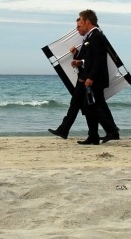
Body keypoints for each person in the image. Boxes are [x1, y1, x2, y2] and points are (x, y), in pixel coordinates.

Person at [48, 10, 121, 144]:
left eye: (79, 24)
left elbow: (98, 60)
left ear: (87, 21)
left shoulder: (96, 36)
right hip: (86, 77)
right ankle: (91, 135)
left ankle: (111, 131)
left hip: (93, 79)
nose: (77, 29)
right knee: (85, 106)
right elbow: (87, 58)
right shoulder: (89, 38)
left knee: (91, 107)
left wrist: (91, 77)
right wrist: (77, 55)